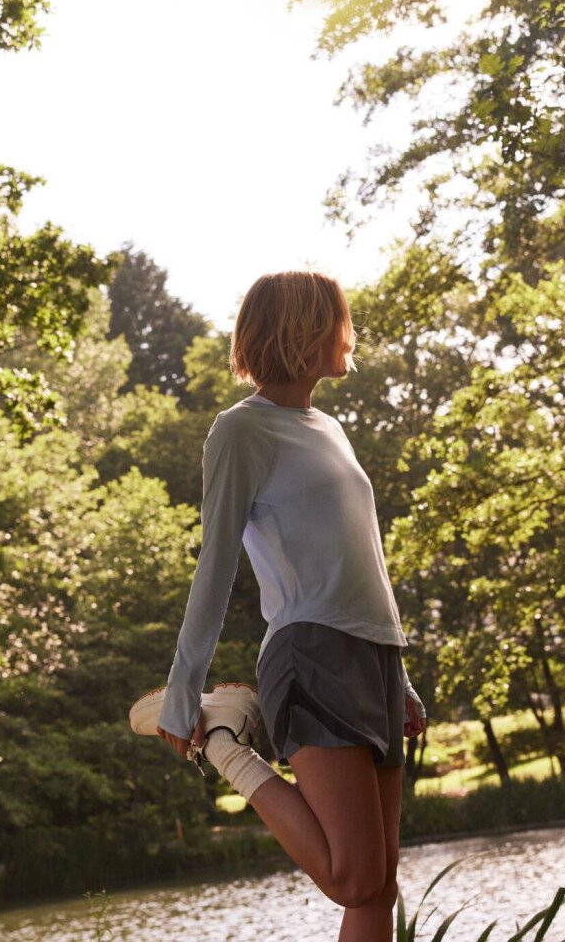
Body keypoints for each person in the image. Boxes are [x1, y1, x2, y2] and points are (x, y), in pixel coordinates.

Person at [127, 270, 426, 942]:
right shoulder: (241, 431)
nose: (349, 334)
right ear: (305, 330)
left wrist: (399, 677)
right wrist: (185, 688)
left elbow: (362, 559)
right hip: (312, 651)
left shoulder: (330, 427)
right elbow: (216, 564)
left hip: (373, 656)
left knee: (379, 888)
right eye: (339, 320)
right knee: (353, 878)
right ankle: (225, 742)